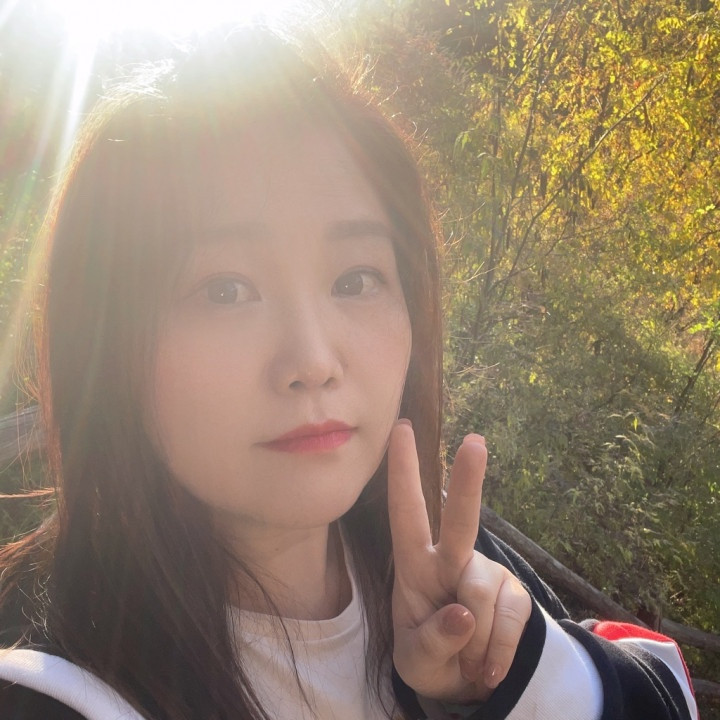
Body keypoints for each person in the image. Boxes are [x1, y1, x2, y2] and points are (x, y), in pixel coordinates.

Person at [0, 28, 697, 720]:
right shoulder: (52, 693)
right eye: (225, 290)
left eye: (356, 279)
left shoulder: (430, 565)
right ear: (105, 342)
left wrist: (515, 681)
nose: (313, 361)